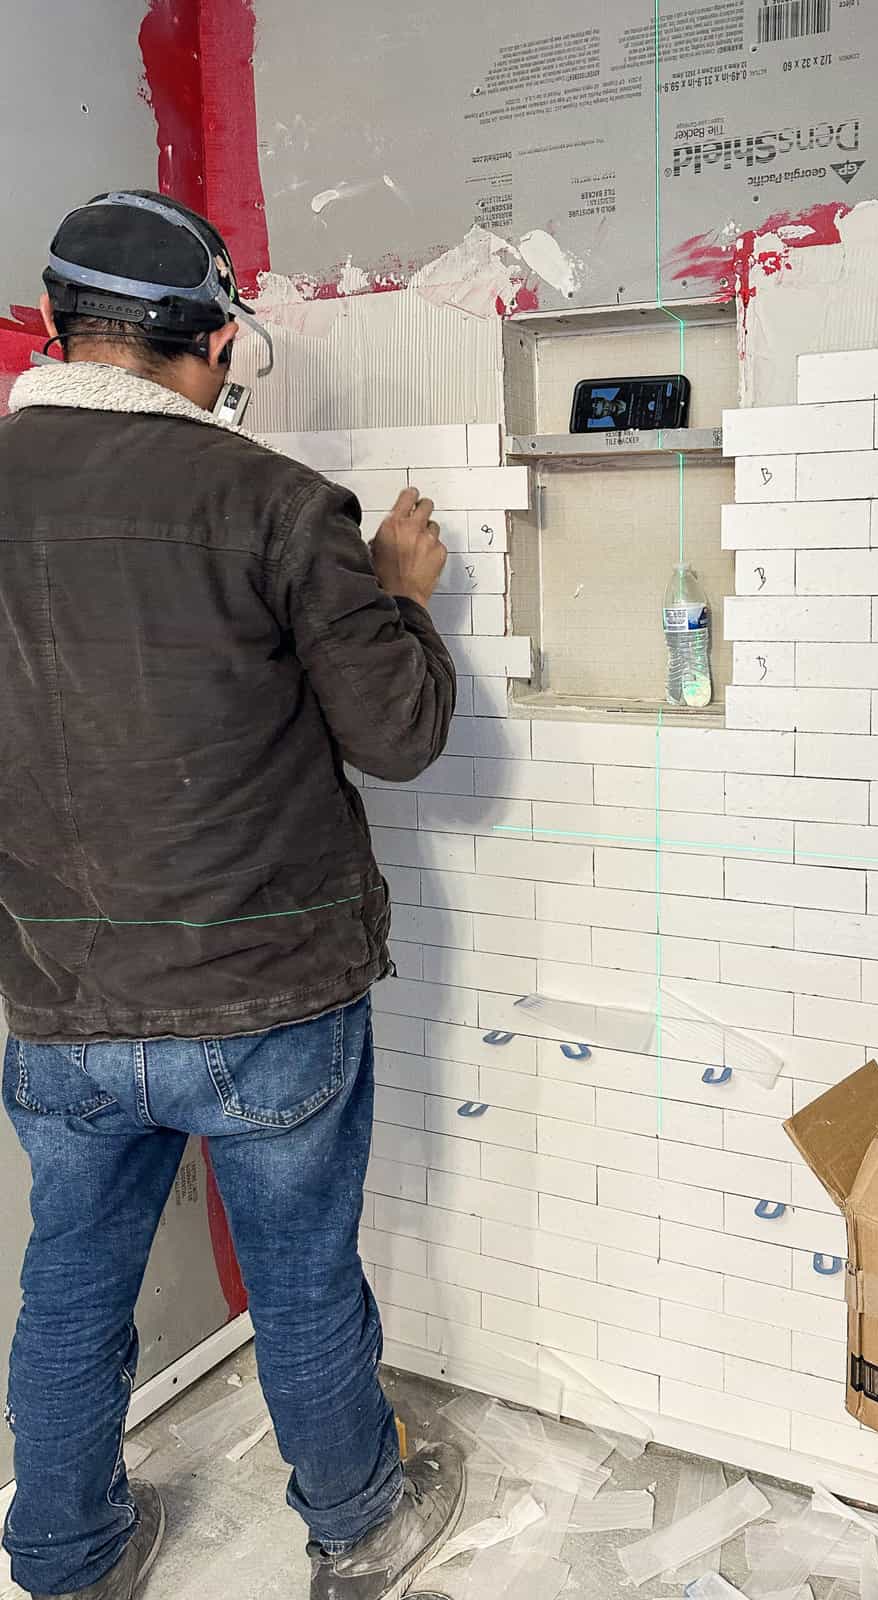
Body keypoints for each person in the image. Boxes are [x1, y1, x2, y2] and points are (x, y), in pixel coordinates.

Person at [0, 191, 466, 1600]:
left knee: (70, 1288)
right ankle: (359, 1527)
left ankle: (66, 1558)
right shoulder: (272, 500)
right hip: (266, 998)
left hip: (62, 1000)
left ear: (63, 329)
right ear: (207, 344)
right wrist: (398, 595)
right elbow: (398, 735)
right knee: (305, 1277)